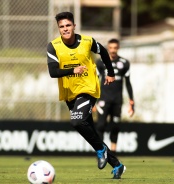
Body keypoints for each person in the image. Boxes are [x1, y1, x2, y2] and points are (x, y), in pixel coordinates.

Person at [46, 12, 126, 179]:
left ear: (74, 26)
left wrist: (110, 72)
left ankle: (101, 150)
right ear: (59, 29)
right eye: (62, 26)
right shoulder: (53, 46)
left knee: (77, 121)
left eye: (68, 25)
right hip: (70, 94)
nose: (65, 29)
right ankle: (117, 165)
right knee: (90, 131)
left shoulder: (87, 41)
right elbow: (53, 72)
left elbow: (103, 52)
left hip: (88, 89)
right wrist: (72, 70)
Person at [95, 38, 134, 154]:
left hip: (117, 100)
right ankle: (101, 153)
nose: (112, 50)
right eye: (110, 48)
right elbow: (96, 80)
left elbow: (128, 83)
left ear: (118, 48)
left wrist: (131, 101)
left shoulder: (124, 63)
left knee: (115, 126)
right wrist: (93, 99)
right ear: (107, 48)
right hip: (103, 99)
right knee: (101, 125)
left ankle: (113, 153)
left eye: (115, 48)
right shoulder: (100, 62)